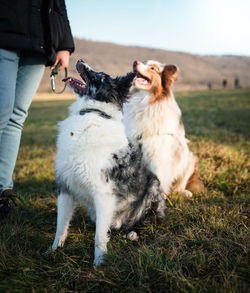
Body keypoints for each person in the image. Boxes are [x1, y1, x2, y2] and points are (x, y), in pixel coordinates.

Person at [0, 0, 75, 217]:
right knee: (2, 111)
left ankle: (2, 194)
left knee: (16, 117)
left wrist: (64, 45)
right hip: (4, 33)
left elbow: (58, 3)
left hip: (39, 42)